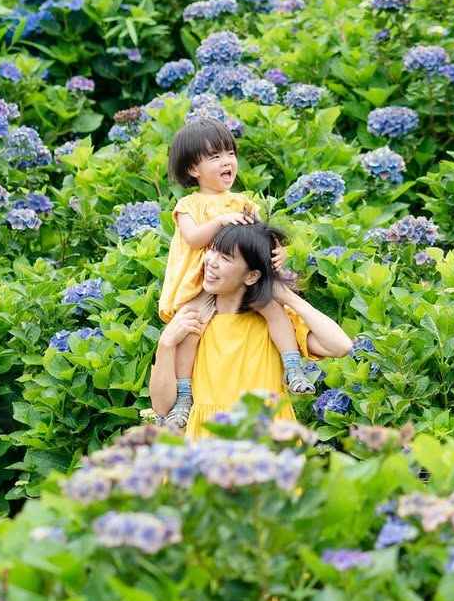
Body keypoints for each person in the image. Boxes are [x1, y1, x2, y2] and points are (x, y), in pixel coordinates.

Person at [158, 118, 316, 430]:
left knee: (274, 311)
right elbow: (193, 239)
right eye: (215, 157)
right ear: (193, 170)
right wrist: (220, 221)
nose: (227, 161)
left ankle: (293, 368)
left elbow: (262, 238)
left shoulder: (244, 202)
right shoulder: (189, 204)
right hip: (201, 287)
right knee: (189, 334)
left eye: (230, 153)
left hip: (239, 286)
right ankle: (185, 396)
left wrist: (279, 251)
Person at [150, 220, 353, 438]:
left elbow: (340, 346)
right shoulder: (192, 321)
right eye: (212, 251)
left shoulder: (276, 321)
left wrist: (288, 297)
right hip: (207, 447)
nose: (212, 262)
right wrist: (166, 343)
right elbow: (162, 407)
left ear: (252, 275)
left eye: (225, 258)